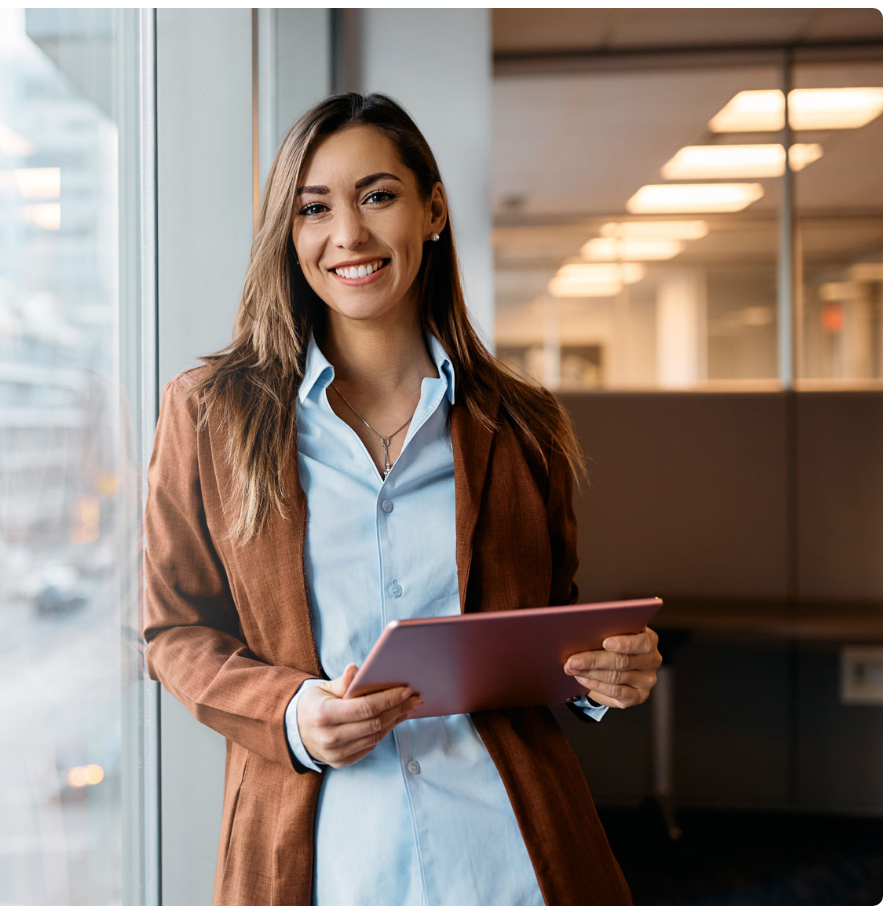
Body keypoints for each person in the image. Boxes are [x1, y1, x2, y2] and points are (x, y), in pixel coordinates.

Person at [141, 92, 661, 906]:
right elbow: (172, 629)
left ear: (433, 210)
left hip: (510, 859)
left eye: (377, 195)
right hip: (319, 861)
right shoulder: (210, 413)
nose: (347, 233)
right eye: (315, 208)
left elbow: (549, 617)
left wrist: (605, 675)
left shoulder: (521, 425)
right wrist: (290, 711)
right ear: (291, 232)